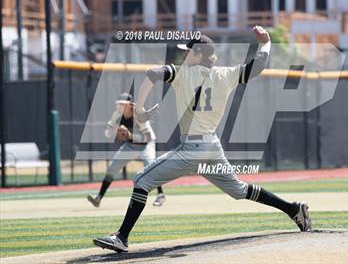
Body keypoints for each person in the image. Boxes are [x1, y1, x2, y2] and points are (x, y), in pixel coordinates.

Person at [93, 26, 311, 253]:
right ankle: (293, 209)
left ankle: (121, 237)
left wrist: (139, 110)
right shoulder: (226, 74)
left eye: (188, 52)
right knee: (238, 190)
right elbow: (257, 67)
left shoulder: (182, 72)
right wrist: (266, 42)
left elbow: (152, 73)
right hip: (211, 146)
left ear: (198, 54)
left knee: (141, 180)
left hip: (192, 148)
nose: (184, 55)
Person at [87, 93, 166, 208]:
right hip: (130, 145)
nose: (120, 107)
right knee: (112, 168)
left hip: (146, 144)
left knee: (151, 167)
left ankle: (161, 194)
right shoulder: (117, 115)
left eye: (123, 104)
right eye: (119, 104)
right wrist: (114, 131)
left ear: (130, 105)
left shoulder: (139, 114)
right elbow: (108, 132)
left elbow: (147, 138)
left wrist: (130, 136)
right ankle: (98, 198)